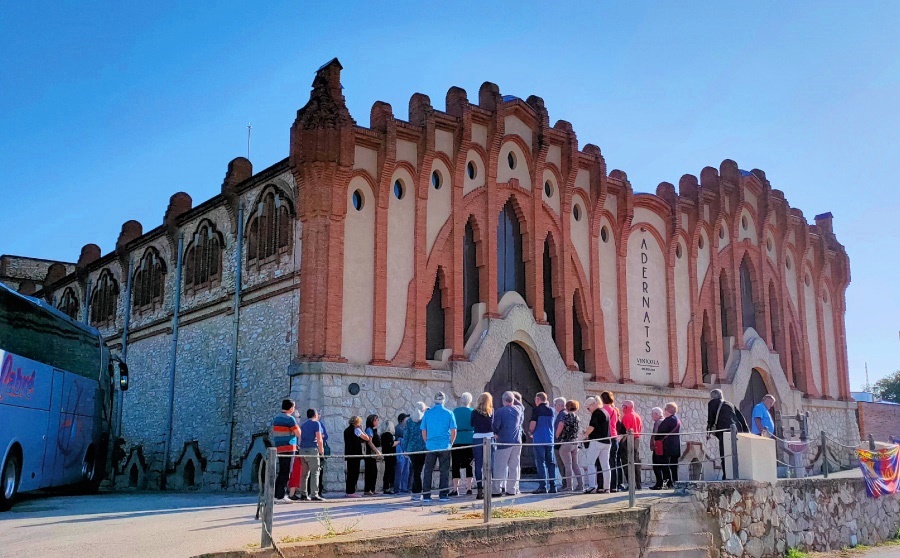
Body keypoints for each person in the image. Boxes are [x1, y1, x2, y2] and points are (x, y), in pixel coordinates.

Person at [420, 391, 457, 502]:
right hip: (444, 445)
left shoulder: (428, 413)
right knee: (444, 471)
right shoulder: (449, 413)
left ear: (434, 400)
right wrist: (451, 443)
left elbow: (423, 430)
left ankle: (426, 495)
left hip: (430, 445)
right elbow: (454, 430)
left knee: (428, 471)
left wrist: (427, 441)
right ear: (444, 400)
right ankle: (443, 495)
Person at [706, 389, 747, 479]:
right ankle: (736, 474)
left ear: (712, 396)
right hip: (735, 430)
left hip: (723, 430)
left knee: (724, 453)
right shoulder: (729, 404)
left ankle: (726, 475)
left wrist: (708, 432)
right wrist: (746, 431)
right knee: (735, 452)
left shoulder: (712, 403)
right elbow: (741, 418)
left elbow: (711, 418)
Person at [492, 391, 523, 497]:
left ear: (503, 401)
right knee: (514, 467)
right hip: (517, 442)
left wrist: (495, 433)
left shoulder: (500, 411)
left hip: (504, 441)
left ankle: (497, 490)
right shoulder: (518, 410)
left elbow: (496, 425)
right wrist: (514, 397)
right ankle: (512, 489)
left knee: (500, 467)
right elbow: (521, 405)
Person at [272, 399, 302, 504]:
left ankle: (276, 494)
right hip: (289, 447)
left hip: (279, 447)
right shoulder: (290, 419)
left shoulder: (276, 418)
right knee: (286, 472)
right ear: (290, 408)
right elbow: (298, 433)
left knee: (282, 471)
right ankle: (281, 496)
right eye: (293, 407)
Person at [529, 392, 557, 493]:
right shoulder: (552, 410)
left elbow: (533, 424)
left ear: (537, 399)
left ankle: (543, 486)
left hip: (539, 439)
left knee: (541, 463)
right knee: (551, 462)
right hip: (549, 439)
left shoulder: (536, 410)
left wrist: (530, 432)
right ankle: (553, 486)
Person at [582, 396, 611, 494]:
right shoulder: (605, 412)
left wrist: (585, 435)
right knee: (605, 465)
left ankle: (592, 486)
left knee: (590, 463)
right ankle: (607, 487)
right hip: (606, 441)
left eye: (588, 407)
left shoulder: (597, 413)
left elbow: (592, 426)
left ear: (593, 404)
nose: (588, 410)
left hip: (597, 441)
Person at [344, 416, 378, 498]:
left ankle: (349, 491)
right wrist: (362, 429)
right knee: (354, 473)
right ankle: (351, 492)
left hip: (349, 454)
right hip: (356, 454)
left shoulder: (346, 430)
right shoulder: (356, 430)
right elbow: (366, 438)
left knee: (350, 473)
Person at [297, 408, 325, 501]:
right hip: (312, 449)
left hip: (303, 450)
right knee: (315, 472)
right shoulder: (316, 424)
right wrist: (321, 451)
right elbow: (319, 438)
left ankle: (303, 494)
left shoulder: (303, 425)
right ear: (315, 415)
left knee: (304, 473)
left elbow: (300, 439)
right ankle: (314, 494)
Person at [450, 392, 475, 496]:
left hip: (457, 439)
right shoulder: (473, 412)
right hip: (470, 440)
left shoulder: (455, 411)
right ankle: (469, 488)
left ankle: (455, 489)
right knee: (469, 464)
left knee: (455, 465)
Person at [471, 392, 494, 500]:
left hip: (477, 437)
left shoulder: (474, 412)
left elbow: (472, 424)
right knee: (489, 463)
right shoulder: (491, 412)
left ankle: (479, 489)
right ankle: (488, 487)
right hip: (489, 437)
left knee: (478, 464)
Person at [556, 399, 582, 492]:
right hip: (575, 442)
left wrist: (557, 436)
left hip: (566, 443)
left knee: (567, 465)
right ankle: (580, 484)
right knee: (575, 464)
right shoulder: (577, 418)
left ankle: (569, 486)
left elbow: (559, 428)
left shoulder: (565, 417)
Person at [619, 400, 643, 491]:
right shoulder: (637, 416)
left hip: (628, 440)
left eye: (623, 406)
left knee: (627, 463)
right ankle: (638, 484)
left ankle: (631, 484)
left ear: (626, 407)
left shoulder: (626, 417)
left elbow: (626, 432)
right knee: (635, 462)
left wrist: (621, 443)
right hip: (636, 440)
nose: (622, 408)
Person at [599, 392, 621, 492]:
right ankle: (614, 486)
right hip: (614, 436)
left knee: (602, 463)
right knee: (613, 462)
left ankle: (603, 485)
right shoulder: (614, 410)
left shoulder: (601, 410)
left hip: (605, 437)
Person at [404, 405, 427, 501]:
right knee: (418, 471)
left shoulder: (409, 421)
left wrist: (405, 449)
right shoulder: (424, 420)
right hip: (422, 448)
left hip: (412, 448)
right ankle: (417, 492)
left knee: (415, 470)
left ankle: (415, 491)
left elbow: (406, 436)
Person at [656, 403, 682, 488]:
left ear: (668, 410)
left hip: (667, 446)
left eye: (665, 409)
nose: (664, 411)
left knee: (665, 465)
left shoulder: (668, 420)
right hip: (675, 446)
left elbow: (660, 432)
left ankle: (669, 483)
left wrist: (656, 439)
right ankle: (675, 481)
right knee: (674, 466)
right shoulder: (677, 419)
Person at [363, 415, 382, 495]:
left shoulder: (373, 430)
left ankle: (372, 489)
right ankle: (367, 489)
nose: (377, 421)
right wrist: (376, 450)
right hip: (370, 453)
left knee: (374, 471)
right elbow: (369, 442)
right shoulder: (369, 430)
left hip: (373, 454)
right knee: (370, 471)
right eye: (376, 420)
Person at [552, 397, 568, 490]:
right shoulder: (564, 414)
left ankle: (565, 483)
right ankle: (565, 483)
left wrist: (557, 438)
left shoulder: (561, 415)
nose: (555, 407)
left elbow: (559, 429)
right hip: (562, 442)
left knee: (562, 464)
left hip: (559, 443)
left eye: (555, 405)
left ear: (559, 405)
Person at [381, 420, 399, 494]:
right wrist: (398, 442)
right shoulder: (388, 435)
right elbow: (391, 444)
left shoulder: (383, 435)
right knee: (389, 471)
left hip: (386, 454)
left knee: (388, 471)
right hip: (390, 455)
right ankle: (388, 487)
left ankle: (387, 487)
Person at [394, 413, 411, 494]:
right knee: (400, 470)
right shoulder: (399, 428)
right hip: (400, 451)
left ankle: (404, 487)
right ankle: (398, 488)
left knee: (406, 470)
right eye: (405, 419)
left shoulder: (404, 427)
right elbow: (405, 436)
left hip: (405, 451)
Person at [649, 407, 665, 490]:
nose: (651, 416)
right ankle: (662, 483)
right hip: (663, 446)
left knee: (656, 465)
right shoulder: (664, 421)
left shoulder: (658, 422)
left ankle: (659, 483)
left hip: (658, 446)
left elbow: (655, 434)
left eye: (652, 414)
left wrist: (652, 445)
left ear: (657, 414)